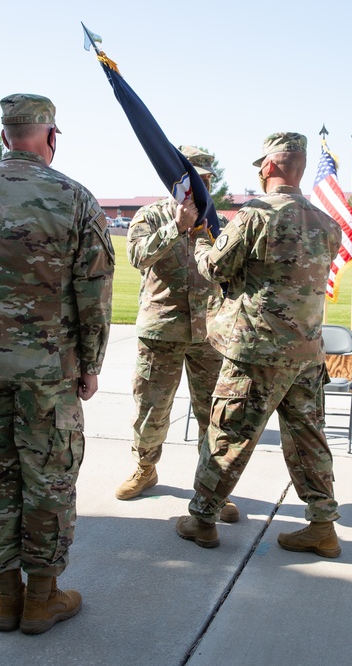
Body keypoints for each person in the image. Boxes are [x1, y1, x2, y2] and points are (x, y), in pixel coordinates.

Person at [0, 93, 114, 635]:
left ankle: (7, 597)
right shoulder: (72, 197)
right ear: (51, 136)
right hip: (46, 370)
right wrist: (91, 363)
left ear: (4, 136)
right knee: (48, 479)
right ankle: (42, 598)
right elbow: (93, 291)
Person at [174, 132, 344, 557]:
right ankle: (322, 526)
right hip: (306, 353)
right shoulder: (327, 224)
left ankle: (202, 519)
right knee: (308, 438)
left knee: (229, 433)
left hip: (257, 351)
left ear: (268, 167)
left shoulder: (256, 216)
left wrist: (197, 237)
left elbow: (216, 267)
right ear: (300, 169)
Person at [115, 145, 237, 523]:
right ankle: (145, 468)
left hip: (208, 334)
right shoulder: (150, 216)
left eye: (207, 180)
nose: (201, 186)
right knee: (152, 410)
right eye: (194, 179)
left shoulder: (218, 222)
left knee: (214, 416)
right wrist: (177, 227)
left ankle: (212, 490)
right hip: (162, 330)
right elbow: (137, 257)